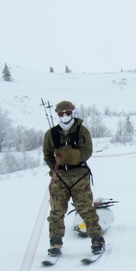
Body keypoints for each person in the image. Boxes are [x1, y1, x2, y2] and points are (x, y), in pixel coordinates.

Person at [43, 101, 105, 257]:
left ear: (73, 112)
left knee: (86, 210)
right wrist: (56, 168)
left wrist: (66, 155)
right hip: (60, 178)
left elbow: (86, 153)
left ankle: (97, 239)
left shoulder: (83, 131)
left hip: (80, 176)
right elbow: (48, 155)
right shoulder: (50, 134)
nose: (64, 116)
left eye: (68, 112)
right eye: (61, 113)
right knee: (56, 212)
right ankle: (55, 242)